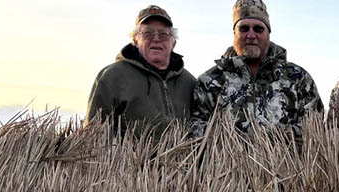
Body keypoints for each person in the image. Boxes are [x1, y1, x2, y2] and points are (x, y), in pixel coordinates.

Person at [189, 0, 323, 137]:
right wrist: (235, 139)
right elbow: (194, 130)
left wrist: (274, 137)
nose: (251, 35)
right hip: (228, 158)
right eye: (244, 28)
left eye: (258, 29)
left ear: (268, 34)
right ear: (234, 33)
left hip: (284, 158)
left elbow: (315, 131)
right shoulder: (210, 81)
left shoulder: (298, 78)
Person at [85, 5, 197, 138]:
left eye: (163, 34)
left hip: (183, 159)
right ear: (135, 40)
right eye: (148, 33)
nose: (156, 39)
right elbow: (92, 135)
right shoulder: (112, 77)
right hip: (127, 158)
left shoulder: (190, 82)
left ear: (173, 42)